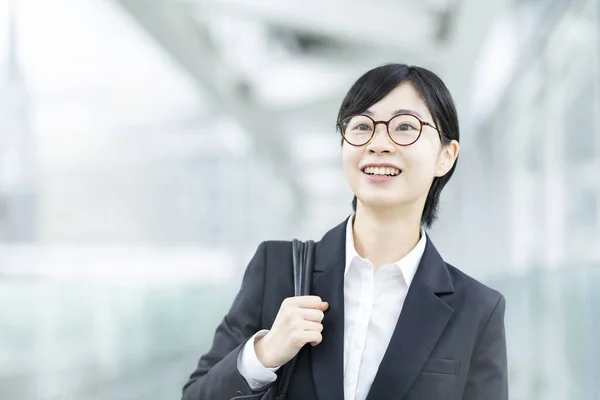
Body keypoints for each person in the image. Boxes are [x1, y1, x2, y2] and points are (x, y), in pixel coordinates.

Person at [182, 63, 508, 400]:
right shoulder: (277, 270)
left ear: (445, 156)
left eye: (405, 126)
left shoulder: (477, 310)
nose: (379, 143)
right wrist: (262, 354)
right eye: (363, 126)